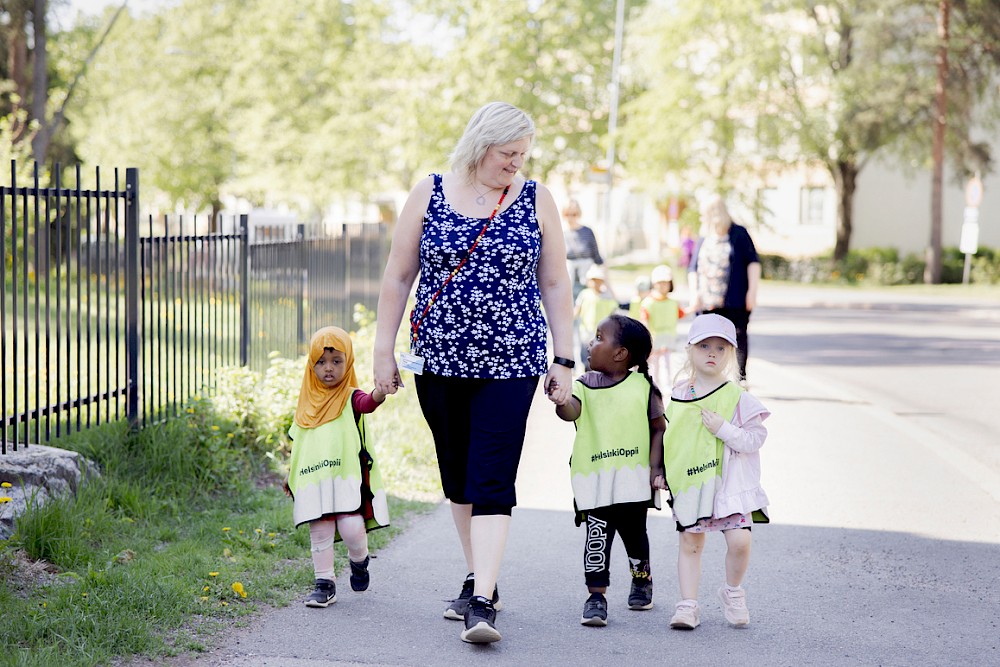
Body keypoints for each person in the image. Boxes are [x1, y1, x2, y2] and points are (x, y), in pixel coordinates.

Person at [372, 101, 575, 644]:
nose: (517, 164)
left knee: (492, 474)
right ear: (482, 144)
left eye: (522, 155)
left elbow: (555, 283)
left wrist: (565, 358)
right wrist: (382, 351)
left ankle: (482, 601)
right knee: (458, 475)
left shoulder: (536, 199)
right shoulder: (429, 192)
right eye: (509, 153)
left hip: (513, 362)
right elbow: (397, 276)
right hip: (438, 361)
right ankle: (477, 575)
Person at [649, 313, 770, 630]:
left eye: (720, 347)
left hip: (729, 489)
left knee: (740, 541)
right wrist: (661, 470)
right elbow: (668, 434)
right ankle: (687, 605)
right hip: (692, 486)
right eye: (704, 346)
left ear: (731, 353)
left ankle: (733, 591)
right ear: (690, 350)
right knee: (691, 542)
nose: (712, 353)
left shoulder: (737, 397)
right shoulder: (677, 393)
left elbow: (756, 438)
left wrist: (725, 429)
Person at [553, 314, 665, 627]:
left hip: (633, 481)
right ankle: (596, 597)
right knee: (596, 539)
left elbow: (658, 428)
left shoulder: (644, 388)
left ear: (620, 353)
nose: (591, 342)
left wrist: (657, 468)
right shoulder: (583, 385)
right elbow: (571, 411)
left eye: (599, 337)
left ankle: (641, 578)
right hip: (595, 479)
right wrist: (561, 400)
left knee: (634, 536)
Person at [284, 326, 390, 608]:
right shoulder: (306, 403)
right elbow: (300, 444)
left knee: (351, 527)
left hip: (345, 479)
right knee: (319, 529)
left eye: (336, 361)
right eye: (321, 362)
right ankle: (324, 583)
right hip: (314, 479)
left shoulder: (350, 396)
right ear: (311, 364)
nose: (328, 369)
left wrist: (380, 392)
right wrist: (290, 474)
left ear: (348, 362)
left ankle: (359, 560)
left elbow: (367, 404)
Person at [687, 195, 761, 383]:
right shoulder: (704, 236)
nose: (702, 219)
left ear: (715, 214)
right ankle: (706, 377)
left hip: (734, 300)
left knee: (736, 338)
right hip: (707, 301)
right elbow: (693, 267)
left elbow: (753, 263)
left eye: (705, 215)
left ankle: (739, 379)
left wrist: (752, 292)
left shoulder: (738, 234)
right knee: (705, 340)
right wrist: (693, 293)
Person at [640, 264, 685, 390]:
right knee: (655, 364)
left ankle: (669, 385)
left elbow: (681, 313)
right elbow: (644, 320)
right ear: (654, 283)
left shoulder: (673, 303)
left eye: (666, 283)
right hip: (654, 338)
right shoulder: (648, 302)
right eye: (660, 283)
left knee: (668, 362)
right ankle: (655, 385)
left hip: (669, 338)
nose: (663, 286)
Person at [574, 264, 619, 371]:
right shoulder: (584, 294)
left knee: (599, 352)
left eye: (598, 280)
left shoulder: (607, 297)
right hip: (586, 329)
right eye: (593, 280)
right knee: (585, 352)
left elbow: (614, 309)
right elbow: (577, 309)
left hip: (601, 331)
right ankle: (587, 371)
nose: (595, 283)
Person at [563, 198, 607, 300]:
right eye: (567, 214)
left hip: (587, 276)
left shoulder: (587, 231)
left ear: (578, 214)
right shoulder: (561, 234)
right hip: (569, 278)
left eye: (573, 214)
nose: (570, 217)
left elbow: (597, 255)